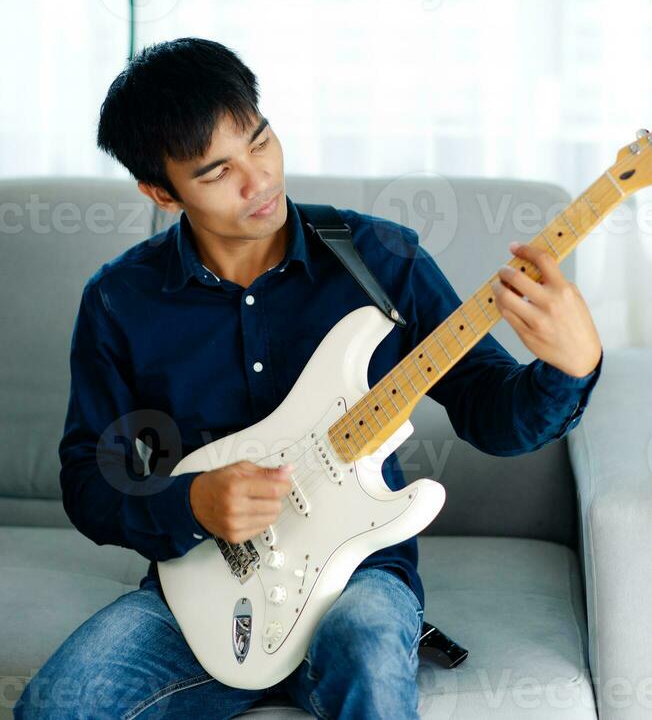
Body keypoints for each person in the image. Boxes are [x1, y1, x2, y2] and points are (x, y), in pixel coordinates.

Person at [14, 37, 603, 719]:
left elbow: (490, 414)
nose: (257, 180)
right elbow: (89, 479)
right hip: (203, 592)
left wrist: (572, 363)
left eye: (260, 141)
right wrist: (193, 504)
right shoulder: (121, 301)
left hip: (359, 577)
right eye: (216, 172)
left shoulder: (380, 259)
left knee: (372, 660)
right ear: (161, 192)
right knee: (54, 707)